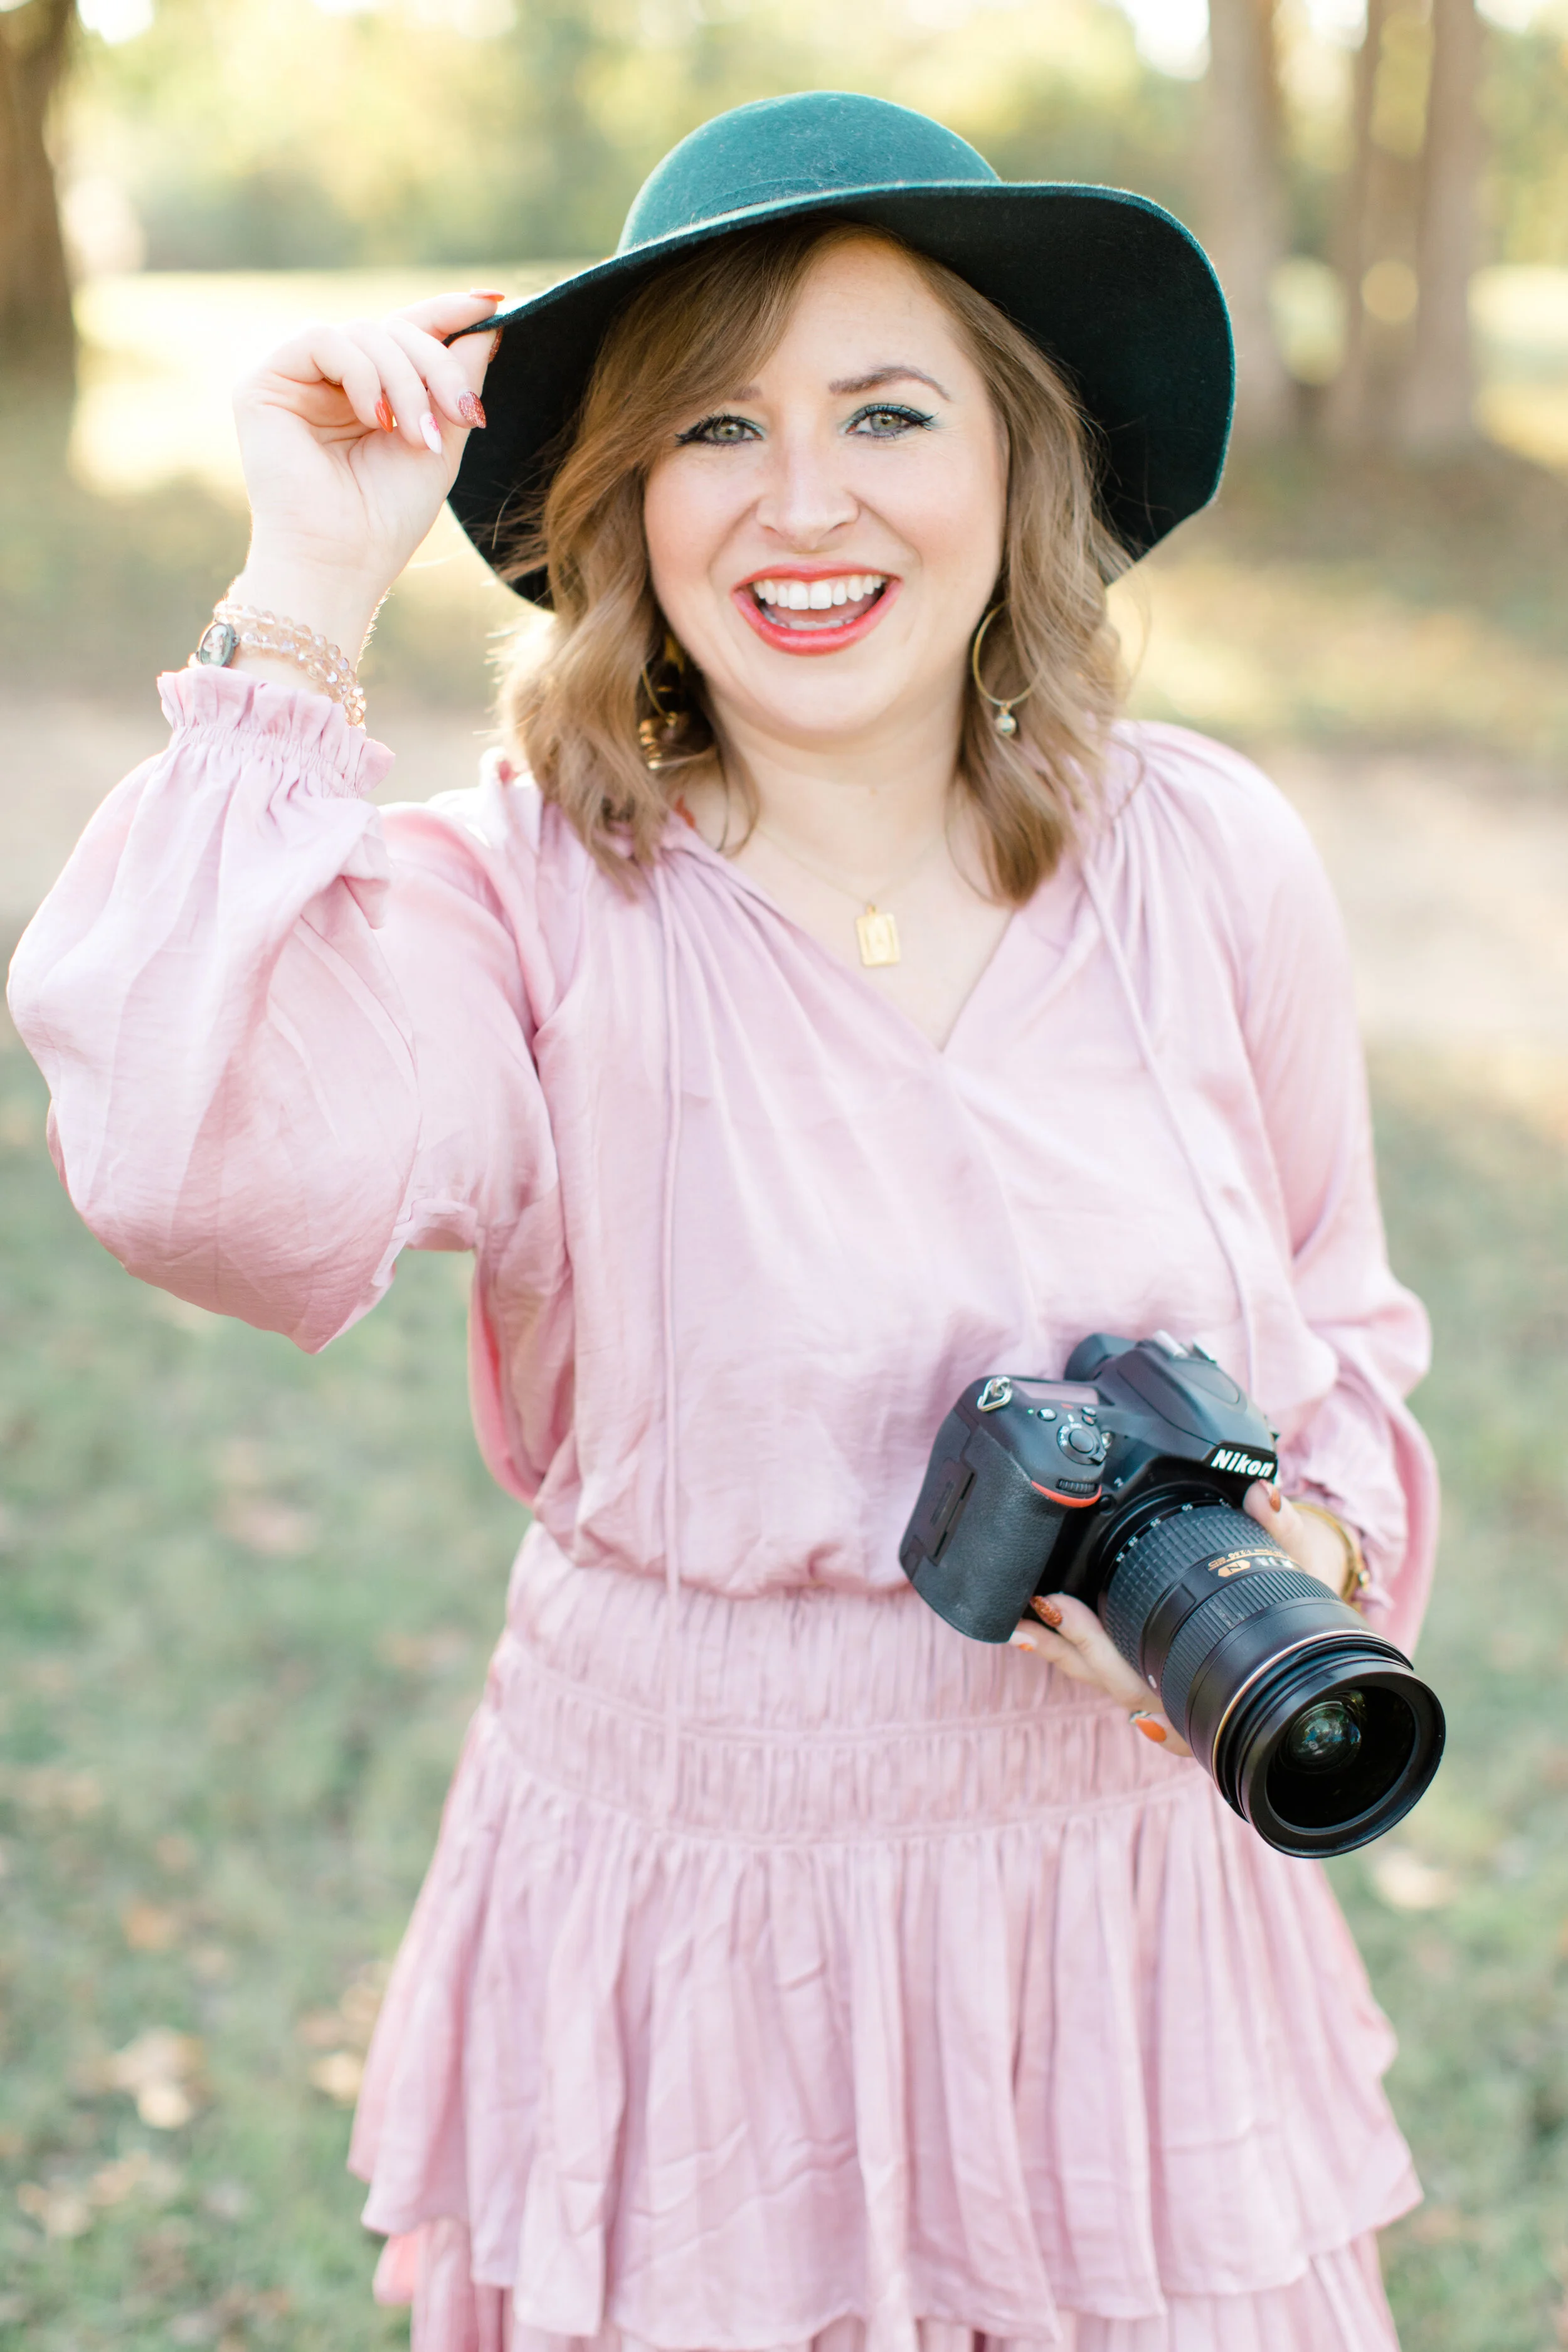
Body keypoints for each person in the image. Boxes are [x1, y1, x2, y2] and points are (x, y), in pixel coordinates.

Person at [9, 90, 1436, 2352]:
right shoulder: (517, 902)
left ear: (1015, 460)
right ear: (627, 503)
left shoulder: (1207, 857)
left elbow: (1341, 1324)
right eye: (714, 426)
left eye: (888, 412)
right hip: (694, 1935)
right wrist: (301, 594)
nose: (803, 501)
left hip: (1123, 1916)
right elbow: (186, 1169)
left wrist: (1308, 1552)